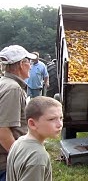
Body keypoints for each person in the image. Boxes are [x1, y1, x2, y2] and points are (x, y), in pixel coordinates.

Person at [0, 45, 36, 181]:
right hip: (6, 163)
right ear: (21, 64)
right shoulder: (13, 89)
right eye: (29, 62)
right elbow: (3, 131)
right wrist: (20, 158)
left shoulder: (4, 83)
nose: (31, 66)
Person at [6, 96, 63, 181]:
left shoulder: (19, 142)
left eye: (61, 118)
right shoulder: (38, 157)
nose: (60, 124)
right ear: (32, 124)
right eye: (52, 119)